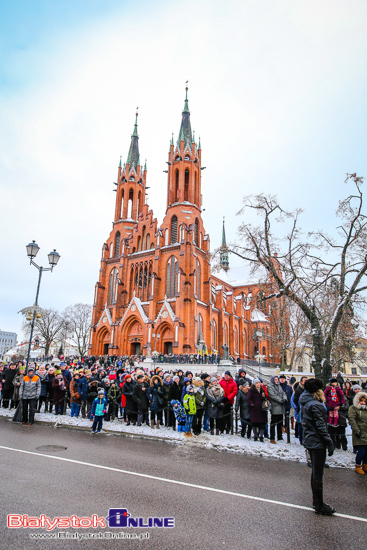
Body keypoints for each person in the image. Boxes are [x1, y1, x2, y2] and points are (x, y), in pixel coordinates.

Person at [300, 378, 335, 515]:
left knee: (315, 471)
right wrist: (328, 442)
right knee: (318, 474)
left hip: (310, 439)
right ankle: (319, 504)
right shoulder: (316, 405)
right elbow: (321, 426)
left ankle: (316, 501)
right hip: (317, 441)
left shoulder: (306, 402)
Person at [348, 391, 367, 475]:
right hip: (359, 432)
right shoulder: (353, 408)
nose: (363, 403)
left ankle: (365, 465)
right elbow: (352, 419)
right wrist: (356, 430)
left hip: (366, 432)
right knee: (361, 451)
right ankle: (358, 466)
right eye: (361, 401)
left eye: (364, 401)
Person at [267, 375, 287, 444]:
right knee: (273, 422)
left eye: (277, 379)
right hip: (275, 406)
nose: (276, 381)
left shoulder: (279, 386)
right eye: (275, 379)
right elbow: (273, 396)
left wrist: (284, 398)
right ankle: (272, 437)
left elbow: (283, 393)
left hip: (281, 407)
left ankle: (280, 436)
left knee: (280, 422)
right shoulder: (270, 386)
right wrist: (280, 400)